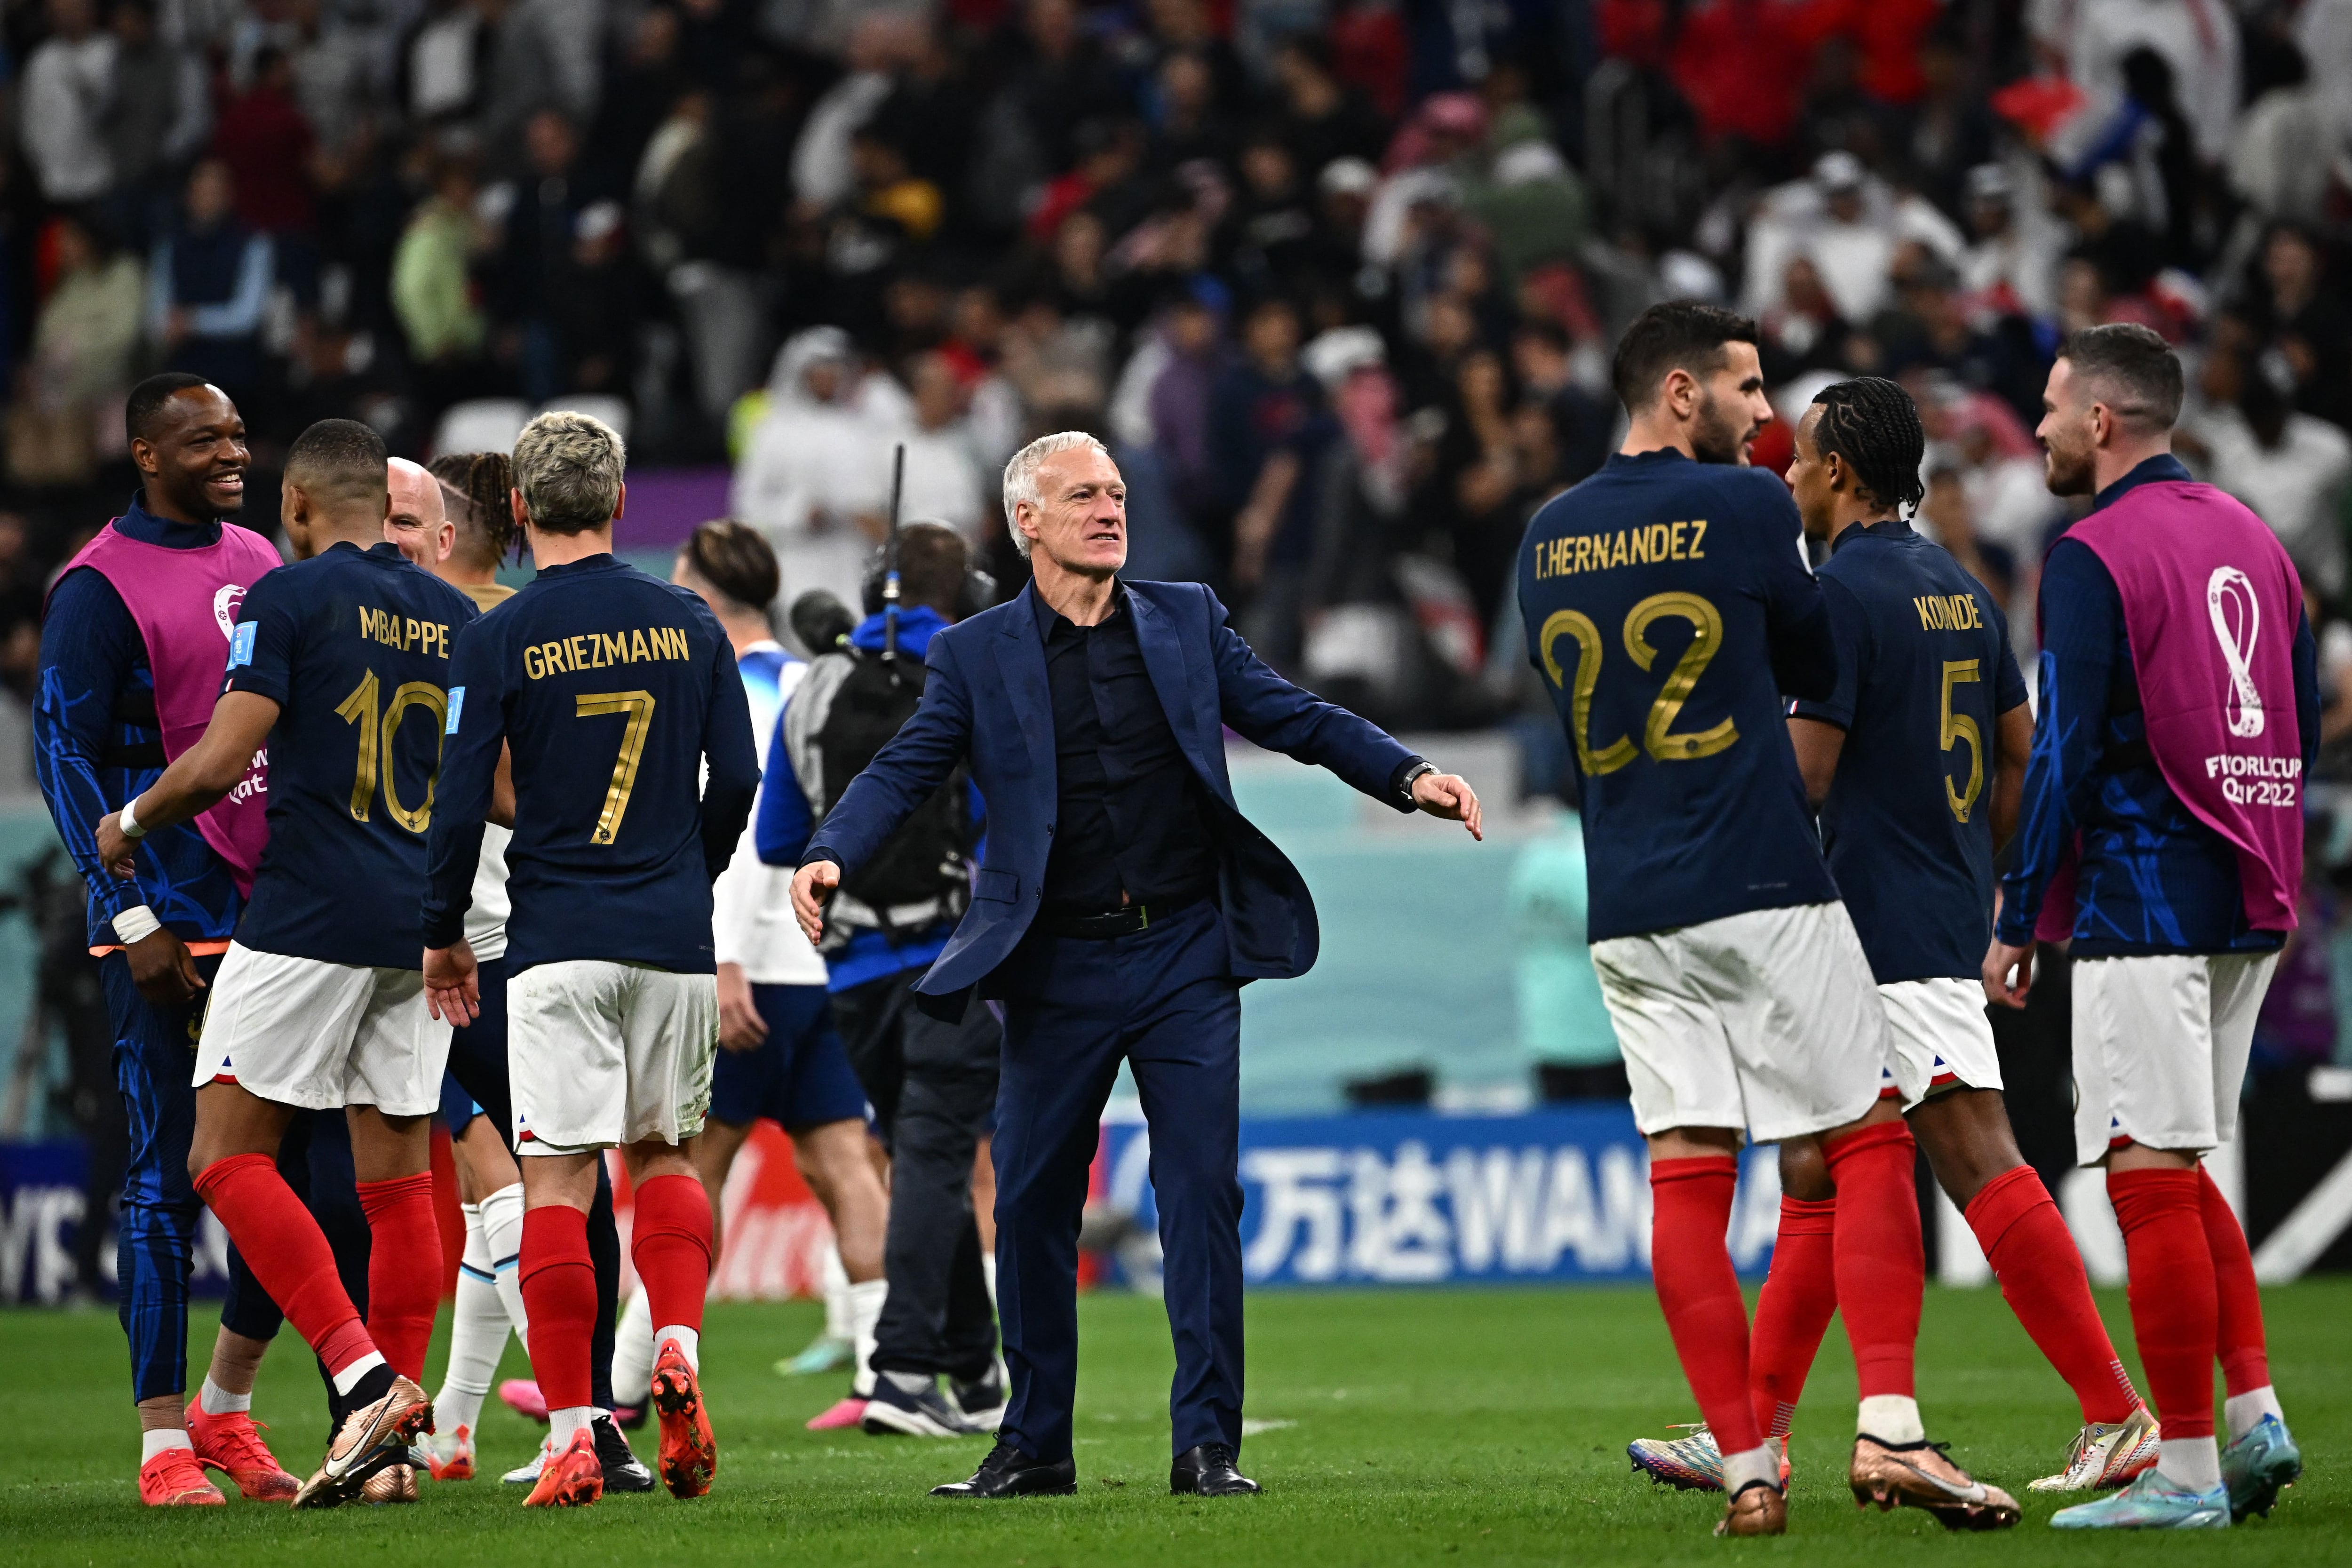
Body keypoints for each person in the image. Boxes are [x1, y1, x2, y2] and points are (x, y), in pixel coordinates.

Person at [789, 431, 1482, 1500]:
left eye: (1115, 492)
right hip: (1053, 963)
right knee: (1025, 1205)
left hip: (1183, 954)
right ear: (1026, 521)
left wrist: (1407, 772)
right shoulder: (975, 654)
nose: (1109, 509)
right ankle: (1033, 1445)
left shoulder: (1188, 614)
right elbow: (904, 766)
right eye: (1082, 496)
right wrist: (832, 847)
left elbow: (1292, 716)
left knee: (1201, 1193)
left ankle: (1207, 1444)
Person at [1631, 378, 2142, 1510]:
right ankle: (1754, 1430)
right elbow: (2018, 752)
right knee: (1817, 1163)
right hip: (1933, 902)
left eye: (1803, 458)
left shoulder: (1841, 596)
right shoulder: (1956, 587)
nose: (1790, 472)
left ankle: (2115, 1413)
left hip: (1875, 923)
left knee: (1978, 1158)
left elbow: (1804, 774)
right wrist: (1970, 852)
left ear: (1842, 475)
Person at [1518, 303, 1975, 1538]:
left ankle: (1746, 1467)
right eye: (1749, 388)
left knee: (1687, 1177)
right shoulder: (1749, 507)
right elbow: (1816, 646)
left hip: (1628, 899)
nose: (1770, 416)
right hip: (1761, 877)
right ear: (1681, 392)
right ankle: (1890, 1423)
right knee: (1871, 1134)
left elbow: (1558, 702)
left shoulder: (1546, 535)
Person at [92, 418, 478, 1508]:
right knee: (398, 1177)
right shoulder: (452, 613)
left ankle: (362, 1381)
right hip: (415, 922)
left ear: (299, 506)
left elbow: (222, 759)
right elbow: (486, 783)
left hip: (307, 912)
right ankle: (391, 1458)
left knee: (222, 1153)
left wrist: (129, 820)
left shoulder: (289, 596)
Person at [1986, 324, 2317, 1530]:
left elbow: (2064, 746)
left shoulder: (2089, 553)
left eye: (2051, 408)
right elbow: (2304, 718)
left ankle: (2180, 1474)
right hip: (2250, 887)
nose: (2037, 429)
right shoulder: (2256, 539)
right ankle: (2250, 1416)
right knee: (2176, 1158)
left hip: (2143, 892)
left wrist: (2022, 909)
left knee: (2140, 1169)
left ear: (2104, 423)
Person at [420, 411, 761, 1508]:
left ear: (518, 512)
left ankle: (574, 1428)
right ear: (620, 506)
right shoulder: (693, 621)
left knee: (558, 1178)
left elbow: (461, 798)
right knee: (665, 1156)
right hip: (670, 939)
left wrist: (440, 935)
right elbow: (740, 782)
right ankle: (676, 1346)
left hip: (556, 939)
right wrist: (686, 879)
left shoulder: (498, 635)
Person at [31, 374, 301, 1507]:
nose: (234, 452)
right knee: (159, 1175)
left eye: (239, 434)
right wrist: (128, 906)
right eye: (206, 439)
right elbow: (64, 753)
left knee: (281, 1181)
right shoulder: (96, 586)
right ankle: (161, 1446)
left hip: (278, 914)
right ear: (146, 453)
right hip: (163, 921)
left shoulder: (261, 561)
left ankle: (229, 1411)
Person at [596, 519, 895, 1435]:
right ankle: (891, 1376)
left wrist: (722, 958)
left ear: (701, 587)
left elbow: (726, 830)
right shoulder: (816, 683)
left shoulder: (711, 683)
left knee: (687, 1165)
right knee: (847, 1163)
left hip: (744, 966)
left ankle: (628, 1382)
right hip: (824, 962)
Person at [758, 522, 1007, 1440]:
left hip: (851, 967)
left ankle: (976, 1374)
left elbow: (781, 840)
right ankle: (901, 1369)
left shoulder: (811, 685)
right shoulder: (970, 675)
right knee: (938, 1158)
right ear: (967, 595)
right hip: (949, 954)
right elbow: (992, 819)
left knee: (918, 1155)